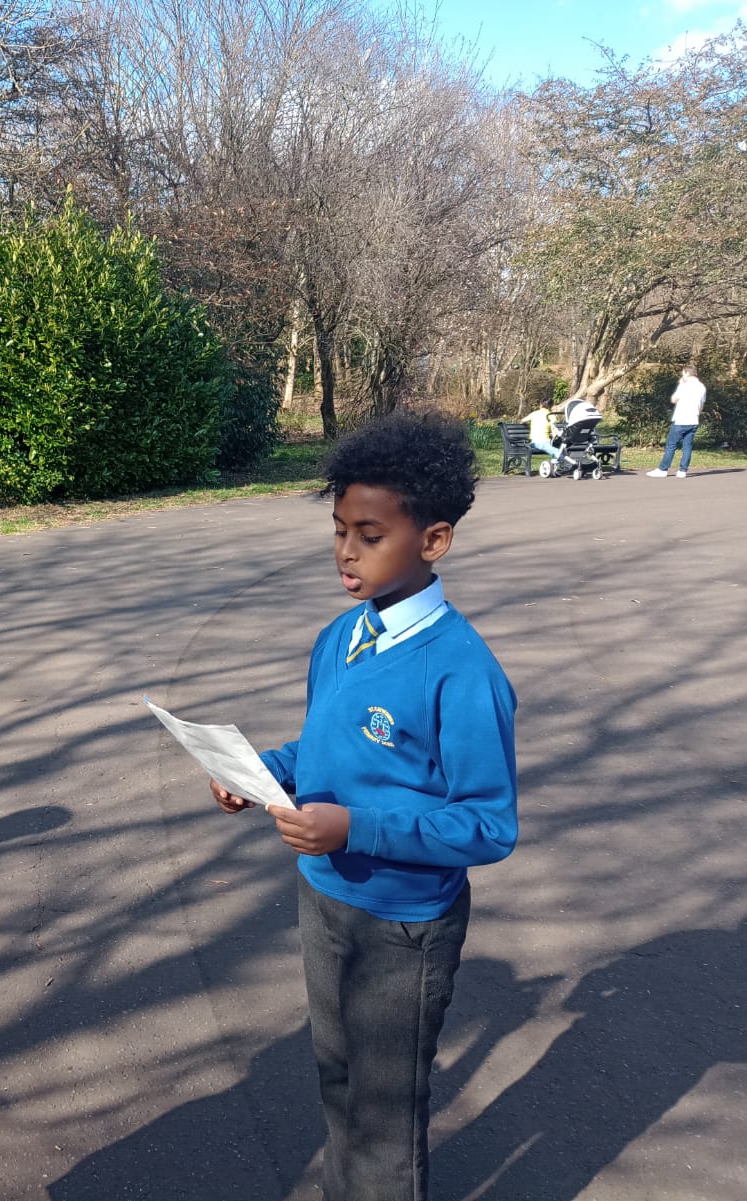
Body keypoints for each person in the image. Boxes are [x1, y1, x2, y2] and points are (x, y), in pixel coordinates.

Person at [210, 412, 518, 1201]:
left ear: (433, 540)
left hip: (403, 927)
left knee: (384, 1118)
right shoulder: (341, 635)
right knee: (338, 1077)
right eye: (339, 529)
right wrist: (261, 770)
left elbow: (489, 824)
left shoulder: (462, 672)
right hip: (324, 897)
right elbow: (324, 746)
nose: (346, 550)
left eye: (370, 535)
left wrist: (357, 826)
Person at [646, 365, 706, 477]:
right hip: (694, 420)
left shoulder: (684, 385)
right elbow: (701, 405)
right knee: (687, 446)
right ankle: (683, 471)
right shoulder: (702, 387)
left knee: (671, 445)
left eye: (683, 374)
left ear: (687, 373)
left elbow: (674, 399)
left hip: (681, 419)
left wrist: (681, 384)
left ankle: (663, 469)